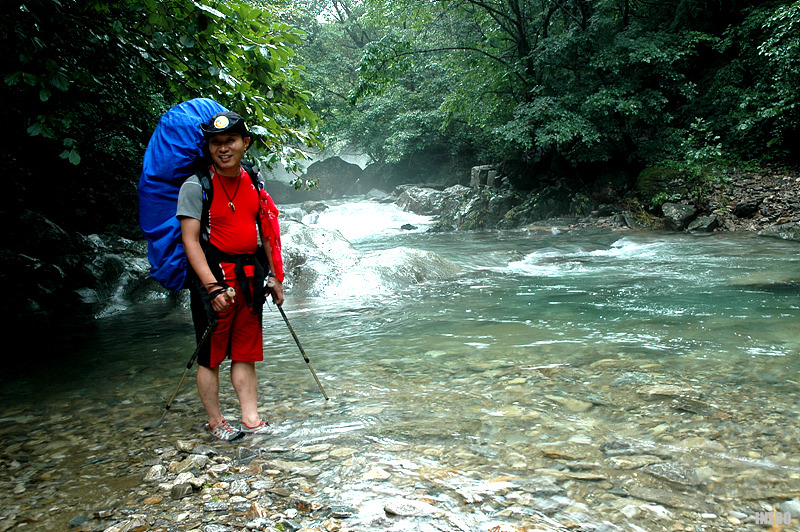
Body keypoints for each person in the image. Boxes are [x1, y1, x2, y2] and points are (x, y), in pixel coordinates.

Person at [176, 111, 284, 440]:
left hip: (250, 280)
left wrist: (276, 277)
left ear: (245, 143)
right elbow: (190, 241)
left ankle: (251, 419)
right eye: (216, 142)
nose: (224, 148)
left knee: (245, 352)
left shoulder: (254, 180)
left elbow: (266, 231)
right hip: (215, 279)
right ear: (208, 146)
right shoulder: (196, 186)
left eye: (230, 141)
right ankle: (216, 422)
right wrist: (211, 287)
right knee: (210, 356)